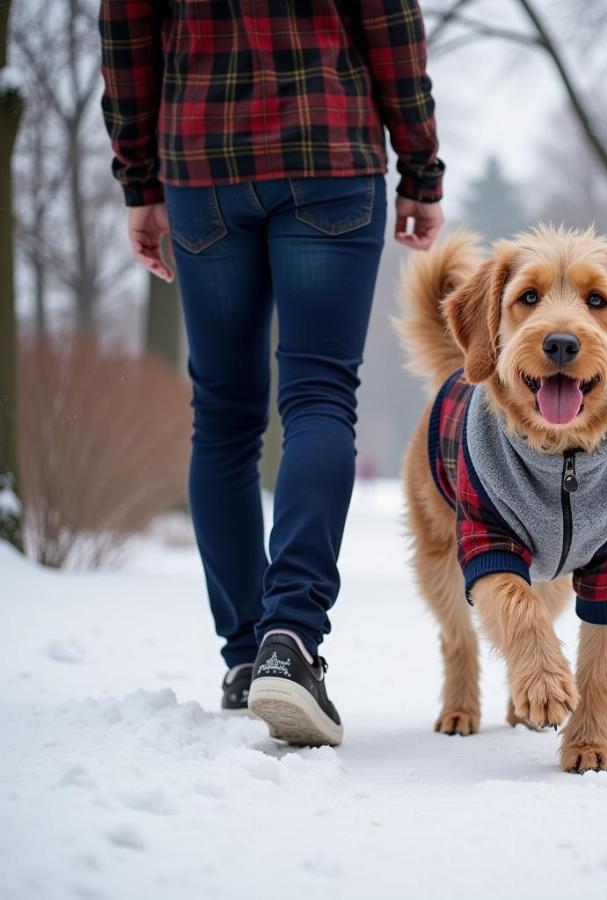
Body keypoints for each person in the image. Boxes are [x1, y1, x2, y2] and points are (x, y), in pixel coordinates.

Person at [99, 0, 444, 747]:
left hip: (202, 165)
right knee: (320, 396)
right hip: (331, 152)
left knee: (222, 416)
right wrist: (420, 167)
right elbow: (390, 23)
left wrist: (141, 182)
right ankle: (289, 636)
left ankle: (245, 655)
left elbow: (127, 33)